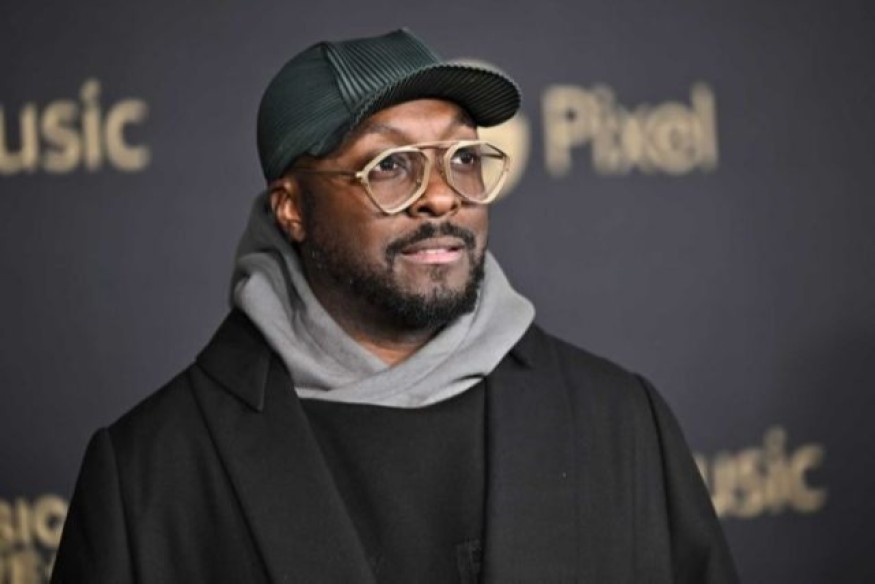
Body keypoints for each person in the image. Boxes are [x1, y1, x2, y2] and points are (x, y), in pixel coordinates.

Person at [51, 29, 738, 584]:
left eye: (461, 157)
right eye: (390, 165)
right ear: (291, 209)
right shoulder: (149, 471)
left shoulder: (620, 419)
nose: (441, 196)